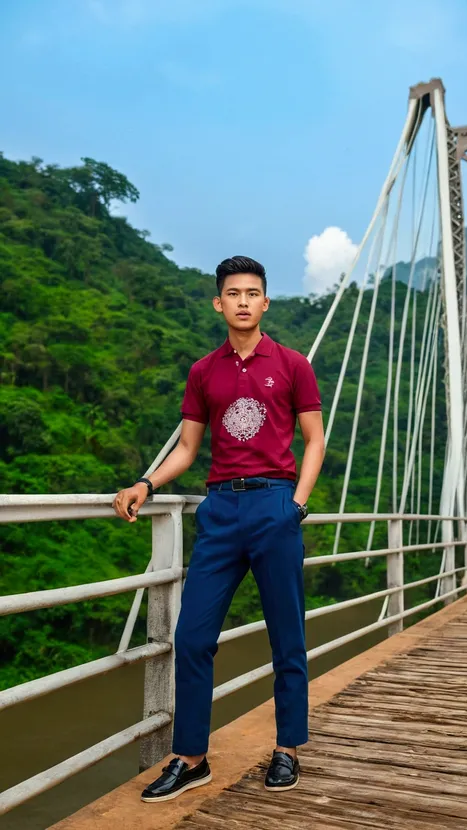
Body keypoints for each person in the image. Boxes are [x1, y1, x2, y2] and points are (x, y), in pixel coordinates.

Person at [113, 255, 325, 803]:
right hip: (220, 511)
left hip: (275, 504)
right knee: (192, 636)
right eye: (234, 293)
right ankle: (191, 758)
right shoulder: (204, 371)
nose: (244, 301)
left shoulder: (294, 364)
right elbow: (187, 447)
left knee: (287, 635)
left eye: (253, 292)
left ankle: (287, 749)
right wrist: (146, 484)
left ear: (265, 302)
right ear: (219, 303)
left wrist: (295, 506)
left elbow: (314, 440)